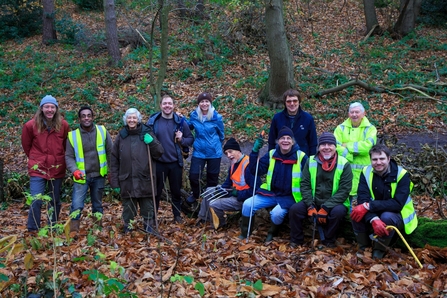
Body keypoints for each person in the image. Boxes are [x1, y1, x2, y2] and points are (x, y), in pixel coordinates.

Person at [239, 126, 308, 242]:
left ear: (292, 141)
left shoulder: (301, 157)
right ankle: (245, 233)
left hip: (290, 196)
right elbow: (255, 170)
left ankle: (272, 233)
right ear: (278, 141)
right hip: (271, 193)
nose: (285, 140)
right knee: (247, 204)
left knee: (276, 214)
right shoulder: (272, 154)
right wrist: (254, 151)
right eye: (282, 138)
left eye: (288, 138)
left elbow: (308, 179)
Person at [350, 144, 418, 259]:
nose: (378, 162)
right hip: (375, 211)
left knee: (386, 217)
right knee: (356, 213)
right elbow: (363, 198)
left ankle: (379, 250)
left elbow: (397, 204)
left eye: (382, 159)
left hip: (398, 214)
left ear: (388, 159)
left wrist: (369, 206)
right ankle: (363, 247)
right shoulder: (366, 172)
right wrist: (373, 218)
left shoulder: (402, 175)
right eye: (374, 159)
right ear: (370, 160)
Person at [289, 132, 352, 248]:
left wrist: (326, 207)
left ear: (335, 147)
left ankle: (328, 241)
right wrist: (309, 205)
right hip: (314, 200)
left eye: (330, 144)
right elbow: (305, 184)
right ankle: (296, 241)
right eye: (323, 145)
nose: (326, 147)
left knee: (338, 213)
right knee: (294, 210)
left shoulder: (344, 164)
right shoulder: (311, 161)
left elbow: (344, 190)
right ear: (318, 147)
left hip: (335, 203)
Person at [110, 108, 164, 233]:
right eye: (129, 118)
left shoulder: (146, 133)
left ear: (138, 119)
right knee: (128, 207)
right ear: (126, 119)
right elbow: (114, 160)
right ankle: (128, 227)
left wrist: (152, 143)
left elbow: (159, 153)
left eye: (134, 118)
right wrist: (115, 182)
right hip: (127, 179)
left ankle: (149, 227)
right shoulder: (121, 136)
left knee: (147, 206)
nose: (132, 120)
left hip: (145, 178)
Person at [21, 95, 70, 232]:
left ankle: (52, 227)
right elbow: (27, 145)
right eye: (46, 107)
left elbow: (66, 146)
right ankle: (33, 228)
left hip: (57, 167)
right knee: (36, 199)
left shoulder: (64, 125)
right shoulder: (30, 125)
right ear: (41, 108)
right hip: (38, 168)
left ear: (56, 109)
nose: (49, 110)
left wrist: (60, 159)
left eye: (52, 107)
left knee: (54, 200)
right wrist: (35, 159)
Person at [147, 95, 194, 224]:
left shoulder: (180, 122)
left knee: (176, 191)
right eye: (165, 103)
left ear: (173, 106)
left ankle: (177, 216)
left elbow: (190, 139)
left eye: (170, 103)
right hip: (158, 162)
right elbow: (145, 137)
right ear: (161, 105)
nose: (167, 106)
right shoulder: (153, 121)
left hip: (175, 162)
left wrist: (181, 139)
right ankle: (153, 217)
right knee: (156, 192)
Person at [65, 106, 113, 232]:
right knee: (77, 205)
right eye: (83, 116)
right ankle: (73, 231)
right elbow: (68, 156)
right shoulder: (72, 136)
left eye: (89, 115)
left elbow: (111, 152)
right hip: (81, 177)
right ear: (79, 119)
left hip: (99, 176)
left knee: (97, 204)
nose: (86, 118)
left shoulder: (102, 131)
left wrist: (112, 171)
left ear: (93, 117)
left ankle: (98, 230)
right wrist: (74, 170)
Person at [196, 138, 261, 228]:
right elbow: (228, 182)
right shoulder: (234, 164)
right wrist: (220, 190)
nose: (229, 155)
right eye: (226, 153)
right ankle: (203, 218)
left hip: (243, 199)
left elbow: (255, 190)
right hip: (234, 193)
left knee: (214, 204)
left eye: (230, 152)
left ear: (238, 150)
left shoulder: (248, 165)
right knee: (209, 191)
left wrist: (238, 194)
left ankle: (220, 225)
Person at [186, 92, 225, 209]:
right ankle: (196, 194)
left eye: (206, 101)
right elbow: (188, 127)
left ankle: (210, 200)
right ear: (198, 104)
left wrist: (215, 145)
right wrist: (180, 119)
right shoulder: (194, 116)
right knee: (193, 176)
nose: (204, 104)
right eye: (202, 102)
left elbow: (221, 134)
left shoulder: (216, 117)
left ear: (210, 103)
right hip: (199, 151)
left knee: (212, 178)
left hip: (214, 152)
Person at [334, 102, 377, 200]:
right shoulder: (340, 128)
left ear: (363, 114)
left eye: (357, 112)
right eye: (352, 112)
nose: (354, 115)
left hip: (364, 173)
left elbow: (367, 147)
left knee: (362, 205)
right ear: (348, 114)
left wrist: (347, 145)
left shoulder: (370, 129)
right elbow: (335, 147)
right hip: (344, 172)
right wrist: (351, 156)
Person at [268, 89, 317, 157]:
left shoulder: (308, 119)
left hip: (302, 159)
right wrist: (271, 157)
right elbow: (272, 141)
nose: (292, 104)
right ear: (284, 103)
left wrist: (311, 161)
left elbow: (313, 143)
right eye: (289, 101)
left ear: (299, 102)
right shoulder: (277, 118)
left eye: (295, 101)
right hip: (281, 158)